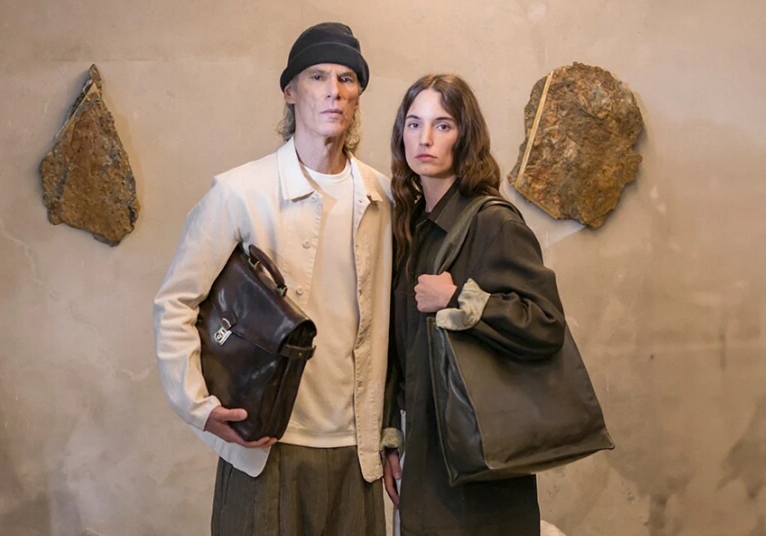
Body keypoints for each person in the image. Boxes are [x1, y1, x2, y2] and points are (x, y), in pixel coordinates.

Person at [152, 22, 394, 536]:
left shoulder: (385, 198)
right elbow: (176, 302)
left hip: (357, 451)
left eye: (347, 78)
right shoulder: (239, 192)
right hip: (264, 448)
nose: (333, 90)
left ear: (357, 96)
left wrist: (394, 436)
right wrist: (198, 406)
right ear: (290, 91)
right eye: (317, 76)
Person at [382, 74, 569, 534]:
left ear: (465, 136)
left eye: (442, 125)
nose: (424, 139)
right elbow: (401, 351)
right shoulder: (410, 228)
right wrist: (391, 435)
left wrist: (457, 298)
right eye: (414, 124)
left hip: (481, 468)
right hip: (423, 456)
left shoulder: (493, 223)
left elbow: (546, 325)